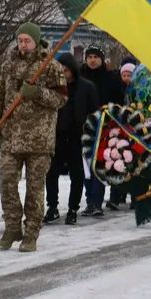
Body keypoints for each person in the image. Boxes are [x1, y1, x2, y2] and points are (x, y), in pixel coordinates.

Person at [0, 23, 69, 253]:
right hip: (11, 137)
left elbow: (61, 99)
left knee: (35, 188)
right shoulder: (8, 65)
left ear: (36, 41)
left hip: (39, 139)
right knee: (6, 181)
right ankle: (12, 227)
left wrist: (38, 93)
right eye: (20, 40)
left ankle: (31, 232)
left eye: (27, 41)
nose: (23, 44)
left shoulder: (50, 66)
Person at [45, 53, 99, 226]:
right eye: (60, 70)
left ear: (72, 70)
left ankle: (73, 209)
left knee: (77, 174)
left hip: (77, 137)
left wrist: (89, 132)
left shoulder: (86, 87)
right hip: (57, 135)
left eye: (66, 70)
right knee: (51, 172)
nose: (63, 74)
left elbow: (94, 112)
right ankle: (52, 206)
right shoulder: (52, 86)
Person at [79, 46, 126, 211]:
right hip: (84, 126)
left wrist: (110, 111)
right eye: (89, 57)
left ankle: (96, 202)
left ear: (101, 59)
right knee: (85, 165)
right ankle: (89, 200)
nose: (92, 60)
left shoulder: (110, 78)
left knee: (99, 164)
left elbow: (119, 102)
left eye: (96, 57)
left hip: (104, 127)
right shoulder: (80, 77)